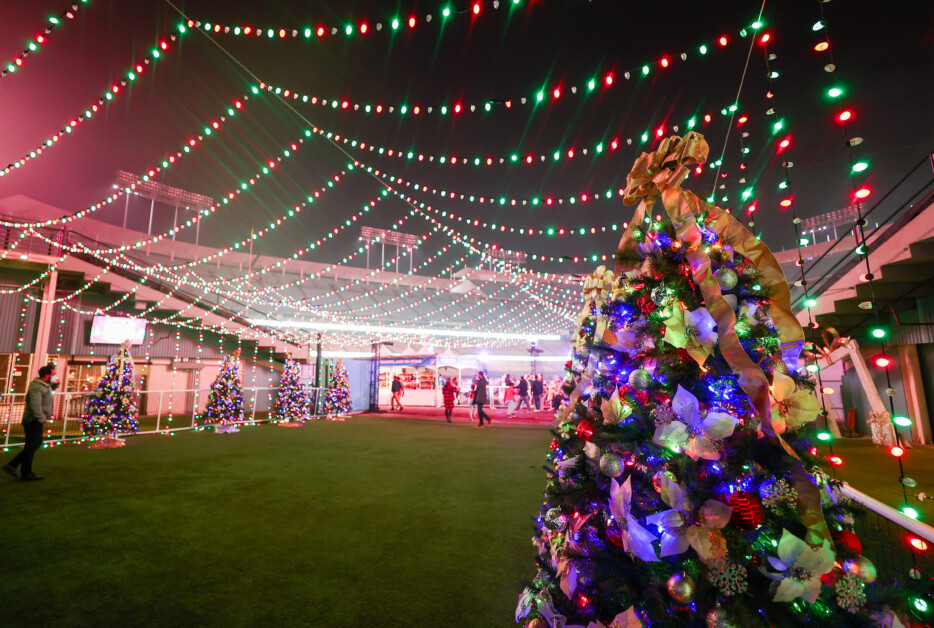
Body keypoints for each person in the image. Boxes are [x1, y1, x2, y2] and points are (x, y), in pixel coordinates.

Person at [3, 364, 55, 481]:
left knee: (33, 445)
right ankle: (17, 468)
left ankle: (20, 469)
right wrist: (40, 417)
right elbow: (35, 405)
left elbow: (49, 391)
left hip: (36, 420)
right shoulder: (36, 387)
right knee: (32, 445)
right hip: (33, 421)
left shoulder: (43, 386)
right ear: (47, 376)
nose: (55, 377)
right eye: (53, 375)